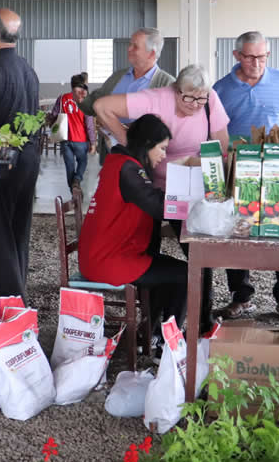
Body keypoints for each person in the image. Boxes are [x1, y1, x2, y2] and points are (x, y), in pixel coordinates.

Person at [80, 114, 205, 328]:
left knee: (167, 269)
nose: (164, 156)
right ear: (147, 144)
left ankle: (152, 332)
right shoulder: (129, 169)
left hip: (104, 254)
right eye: (162, 148)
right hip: (109, 261)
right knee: (185, 274)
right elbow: (157, 204)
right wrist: (198, 205)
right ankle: (165, 343)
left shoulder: (118, 162)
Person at [214, 31, 279, 321]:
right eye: (249, 57)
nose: (256, 63)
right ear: (236, 56)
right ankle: (241, 295)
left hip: (278, 171)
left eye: (261, 57)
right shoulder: (221, 89)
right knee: (236, 231)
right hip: (238, 172)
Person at [0, 9, 41, 298]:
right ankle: (16, 292)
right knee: (18, 229)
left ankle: (14, 303)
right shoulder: (27, 68)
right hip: (28, 158)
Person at [92, 64, 230, 191]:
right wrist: (131, 145)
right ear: (176, 90)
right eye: (188, 98)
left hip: (196, 183)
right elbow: (102, 107)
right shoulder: (156, 99)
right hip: (157, 186)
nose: (195, 105)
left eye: (200, 99)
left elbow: (222, 149)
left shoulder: (210, 98)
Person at [81, 28, 175, 162]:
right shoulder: (117, 77)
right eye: (130, 44)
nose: (129, 49)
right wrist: (81, 99)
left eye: (135, 46)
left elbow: (169, 126)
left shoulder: (167, 84)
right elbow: (92, 105)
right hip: (112, 156)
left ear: (151, 53)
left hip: (145, 161)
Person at [46, 74, 97, 194]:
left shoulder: (63, 97)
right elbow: (89, 124)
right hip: (81, 139)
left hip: (65, 139)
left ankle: (74, 192)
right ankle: (77, 181)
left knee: (69, 167)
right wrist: (93, 142)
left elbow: (54, 114)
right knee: (83, 162)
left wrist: (50, 120)